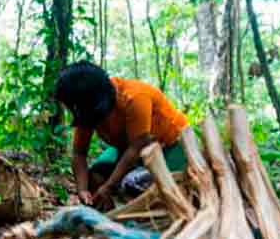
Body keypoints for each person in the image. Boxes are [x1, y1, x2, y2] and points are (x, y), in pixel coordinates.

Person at [53, 62, 188, 210]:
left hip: (169, 146)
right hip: (125, 148)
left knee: (134, 185)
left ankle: (136, 214)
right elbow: (79, 153)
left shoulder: (135, 98)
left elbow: (136, 148)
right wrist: (83, 190)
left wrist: (109, 186)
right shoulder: (86, 111)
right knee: (95, 176)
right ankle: (109, 213)